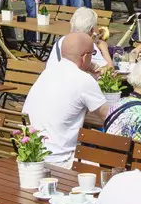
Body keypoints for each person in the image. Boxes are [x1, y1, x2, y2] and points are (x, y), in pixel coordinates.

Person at [22, 30, 108, 160]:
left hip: (32, 155)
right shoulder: (83, 80)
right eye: (93, 54)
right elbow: (108, 116)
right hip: (60, 160)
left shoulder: (48, 72)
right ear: (85, 57)